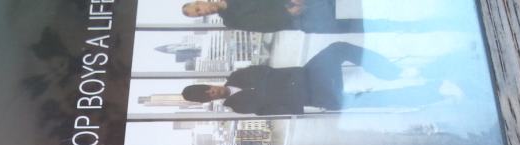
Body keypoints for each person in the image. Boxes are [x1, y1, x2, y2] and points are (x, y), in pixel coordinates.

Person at [180, 42, 449, 114]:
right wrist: (271, 88)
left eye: (208, 89)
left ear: (209, 84)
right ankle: (435, 92)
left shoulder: (237, 75)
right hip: (313, 94)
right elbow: (272, 102)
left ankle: (393, 72)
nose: (212, 92)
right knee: (373, 100)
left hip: (308, 74)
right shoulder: (237, 105)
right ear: (208, 101)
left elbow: (266, 73)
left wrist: (270, 88)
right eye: (207, 96)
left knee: (337, 48)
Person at [181, 0, 443, 34]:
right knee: (360, 24)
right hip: (300, 19)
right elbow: (264, 25)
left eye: (198, 8)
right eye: (198, 14)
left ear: (201, 1)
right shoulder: (231, 21)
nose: (203, 11)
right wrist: (287, 11)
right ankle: (416, 26)